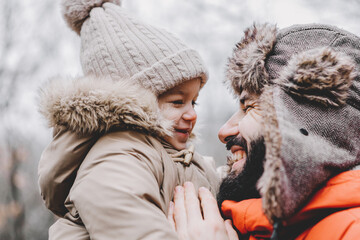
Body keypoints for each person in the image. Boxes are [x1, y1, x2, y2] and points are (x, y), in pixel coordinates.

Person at [37, 0, 219, 239]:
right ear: (135, 103)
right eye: (177, 102)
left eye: (194, 102)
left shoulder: (171, 156)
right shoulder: (115, 160)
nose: (192, 114)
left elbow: (214, 179)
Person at [169, 23, 360, 240]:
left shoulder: (351, 230)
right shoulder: (248, 228)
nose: (224, 131)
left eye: (248, 107)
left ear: (304, 123)